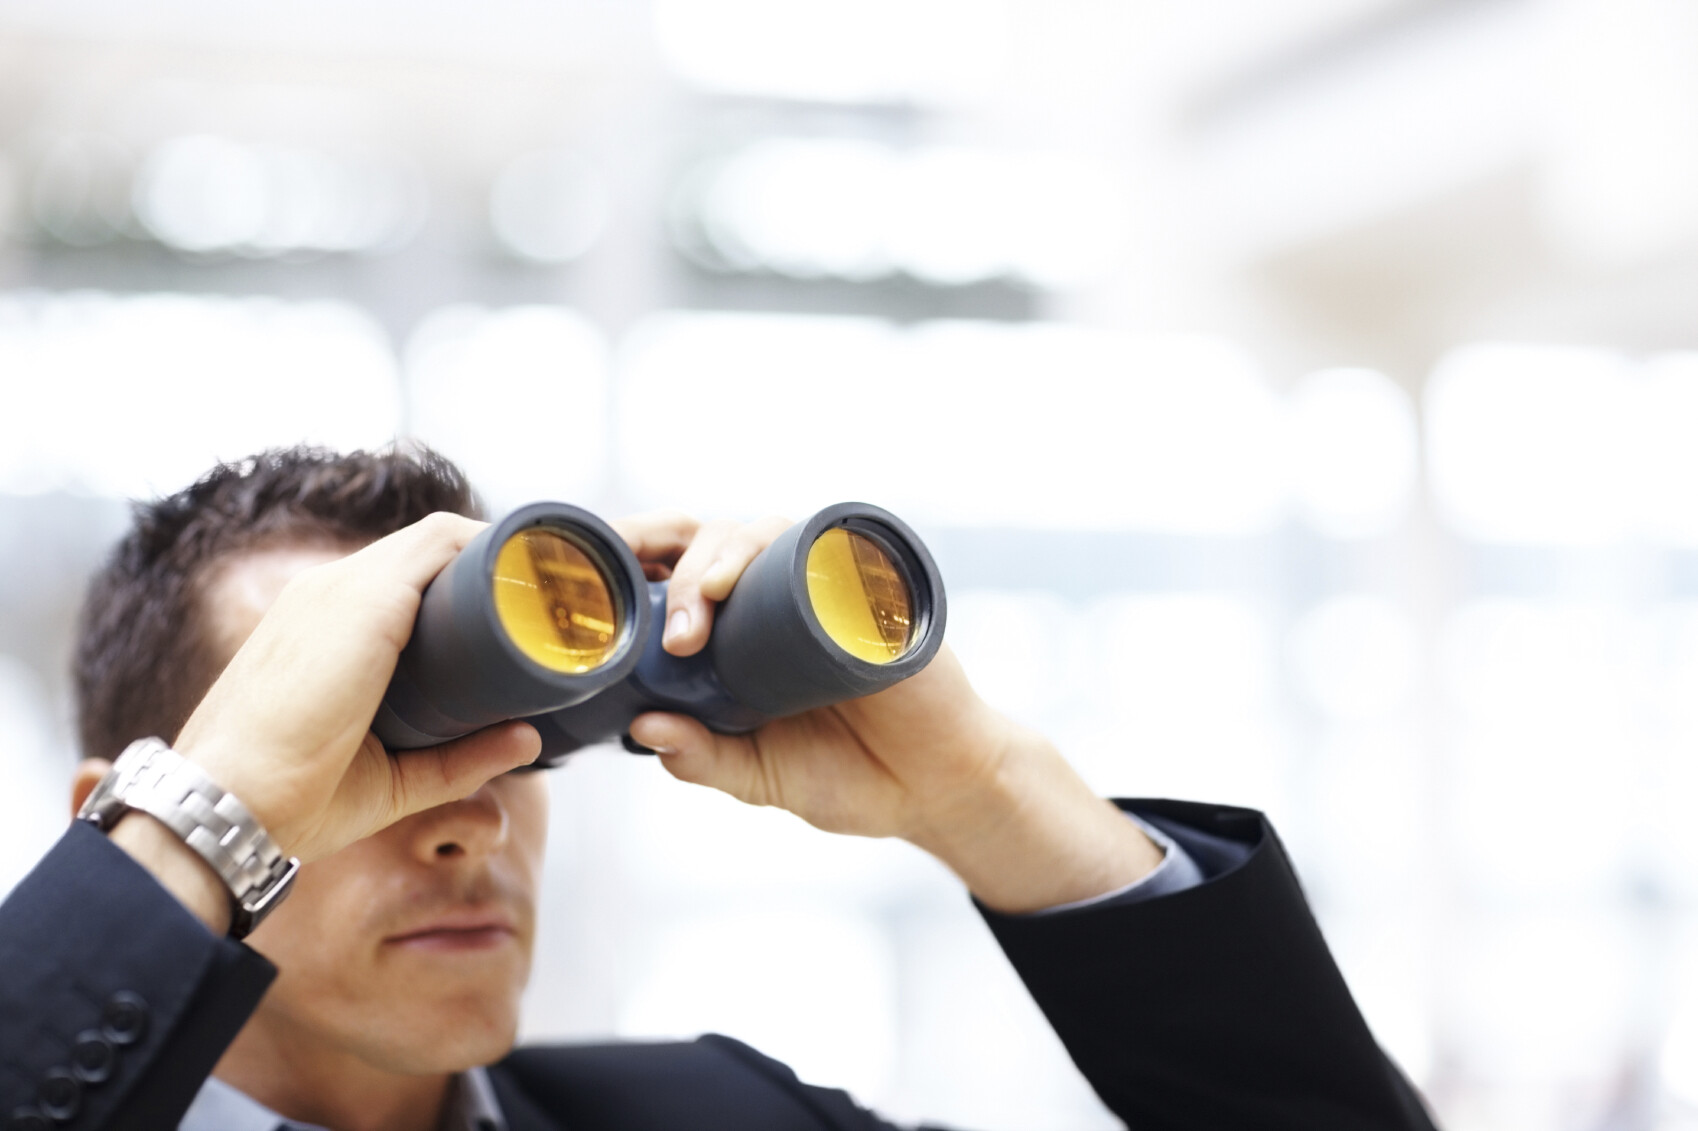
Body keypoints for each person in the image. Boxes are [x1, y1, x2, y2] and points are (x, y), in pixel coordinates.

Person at [0, 447, 1436, 1131]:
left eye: (511, 736)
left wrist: (987, 796)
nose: (462, 814)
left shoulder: (719, 1122)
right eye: (349, 756)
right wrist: (200, 827)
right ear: (126, 817)